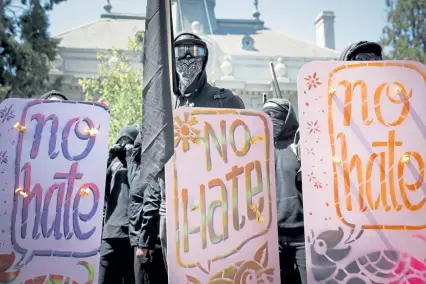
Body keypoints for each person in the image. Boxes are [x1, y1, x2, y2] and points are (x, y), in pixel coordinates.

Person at [130, 32, 245, 276]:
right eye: (180, 53)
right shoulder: (162, 104)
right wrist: (145, 233)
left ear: (205, 58)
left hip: (214, 203)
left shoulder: (225, 99)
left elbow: (244, 152)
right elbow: (149, 164)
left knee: (214, 272)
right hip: (170, 206)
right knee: (179, 274)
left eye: (195, 51)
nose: (188, 58)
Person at [262, 98, 306, 284]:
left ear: (287, 118)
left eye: (275, 115)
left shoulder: (301, 144)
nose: (271, 119)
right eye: (266, 115)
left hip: (303, 234)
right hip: (272, 235)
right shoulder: (259, 146)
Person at [99, 125, 139, 284]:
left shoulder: (139, 163)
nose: (124, 145)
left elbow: (137, 188)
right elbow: (98, 190)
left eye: (128, 141)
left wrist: (130, 159)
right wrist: (109, 158)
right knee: (103, 279)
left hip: (131, 234)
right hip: (110, 233)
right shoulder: (113, 164)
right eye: (121, 141)